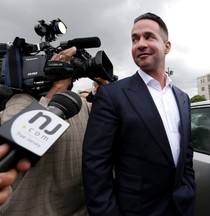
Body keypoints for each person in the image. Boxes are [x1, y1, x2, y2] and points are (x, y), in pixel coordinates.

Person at [82, 12, 196, 216]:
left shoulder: (183, 97)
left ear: (167, 46)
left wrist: (188, 189)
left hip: (181, 207)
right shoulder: (112, 95)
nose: (140, 44)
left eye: (149, 37)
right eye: (135, 39)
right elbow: (96, 166)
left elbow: (186, 155)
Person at [0, 47, 90, 215]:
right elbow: (24, 145)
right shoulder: (19, 103)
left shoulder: (78, 104)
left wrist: (103, 80)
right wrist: (58, 86)